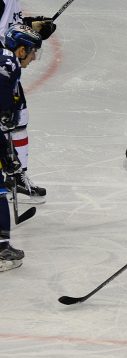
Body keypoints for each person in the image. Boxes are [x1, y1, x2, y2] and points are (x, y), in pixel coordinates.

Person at [0, 3, 55, 204]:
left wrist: (31, 26)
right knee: (6, 119)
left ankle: (17, 177)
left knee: (19, 117)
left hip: (8, 65)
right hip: (3, 68)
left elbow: (8, 25)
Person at [0, 24, 41, 271]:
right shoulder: (8, 64)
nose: (35, 57)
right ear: (21, 49)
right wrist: (7, 154)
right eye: (33, 51)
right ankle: (2, 250)